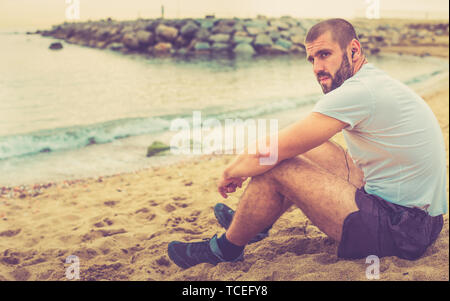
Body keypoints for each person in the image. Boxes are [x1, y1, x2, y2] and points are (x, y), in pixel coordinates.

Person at [167, 18, 447, 269]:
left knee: (276, 164)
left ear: (354, 50)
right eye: (311, 59)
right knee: (309, 148)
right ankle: (256, 222)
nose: (317, 68)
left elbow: (270, 151)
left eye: (324, 55)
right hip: (424, 221)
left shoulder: (357, 92)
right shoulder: (371, 82)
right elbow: (295, 140)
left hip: (401, 228)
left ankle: (225, 249)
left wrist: (231, 171)